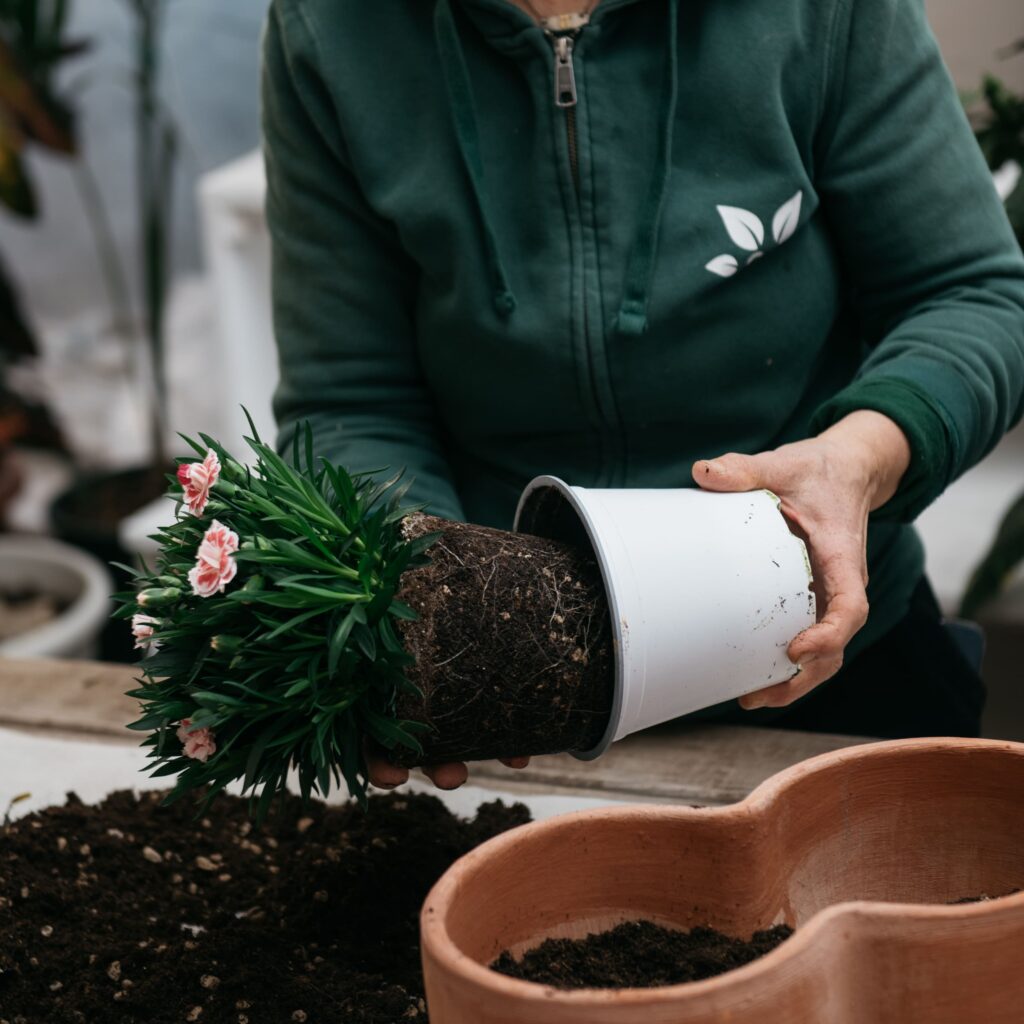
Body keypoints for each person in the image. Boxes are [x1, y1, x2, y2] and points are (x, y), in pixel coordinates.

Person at [261, 0, 1024, 790]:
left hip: (824, 644)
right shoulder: (332, 28)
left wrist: (855, 459)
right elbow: (349, 397)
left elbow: (973, 294)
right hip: (516, 687)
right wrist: (415, 604)